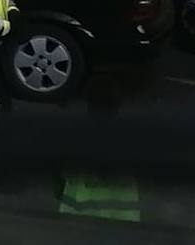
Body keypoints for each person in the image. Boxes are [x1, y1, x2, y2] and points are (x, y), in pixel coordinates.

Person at [57, 78, 141, 222]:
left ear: (89, 106)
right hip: (121, 220)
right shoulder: (130, 140)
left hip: (78, 219)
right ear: (118, 106)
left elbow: (61, 177)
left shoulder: (76, 138)